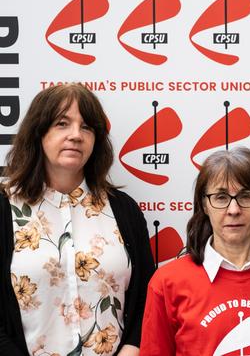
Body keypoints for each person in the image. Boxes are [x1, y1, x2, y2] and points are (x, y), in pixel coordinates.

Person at [0, 84, 155, 356]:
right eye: (62, 123)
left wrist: (132, 348)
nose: (76, 135)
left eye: (86, 127)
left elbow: (146, 294)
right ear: (39, 133)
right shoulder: (5, 207)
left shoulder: (123, 210)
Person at [140, 147, 250, 355]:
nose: (233, 210)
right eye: (221, 197)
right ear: (204, 205)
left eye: (245, 196)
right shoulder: (167, 283)